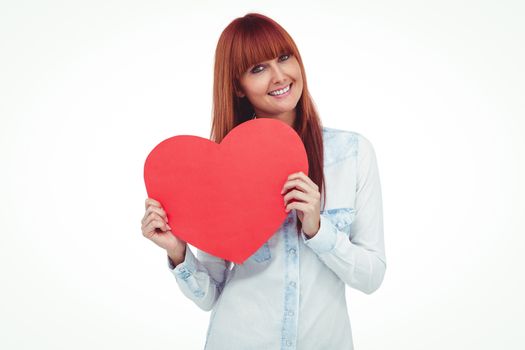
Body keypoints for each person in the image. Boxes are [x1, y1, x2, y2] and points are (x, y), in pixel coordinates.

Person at [141, 12, 386, 350]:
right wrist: (177, 251)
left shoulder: (352, 154)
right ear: (237, 88)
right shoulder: (219, 172)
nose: (279, 76)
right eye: (257, 69)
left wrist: (318, 229)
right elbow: (209, 295)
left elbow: (371, 277)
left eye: (284, 57)